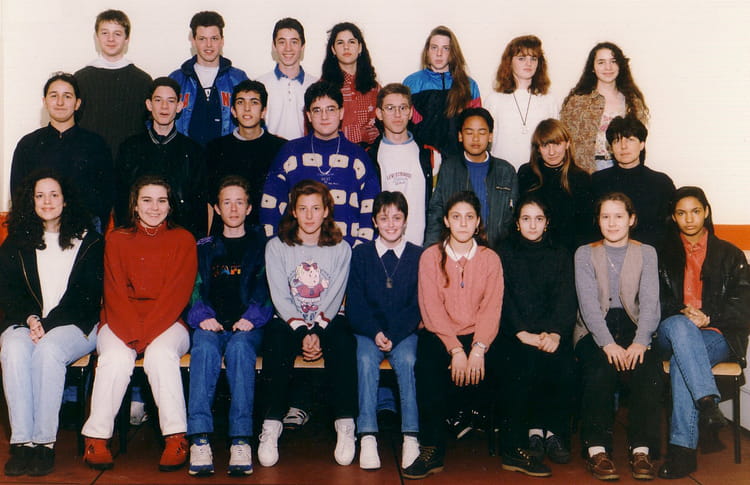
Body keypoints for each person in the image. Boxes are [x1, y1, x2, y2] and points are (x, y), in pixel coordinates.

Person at [82, 175, 197, 472]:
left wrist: (145, 336)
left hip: (169, 320)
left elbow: (177, 295)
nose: (154, 207)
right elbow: (114, 293)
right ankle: (96, 438)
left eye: (161, 200)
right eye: (147, 200)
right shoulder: (117, 239)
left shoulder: (183, 239)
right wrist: (133, 333)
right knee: (115, 357)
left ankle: (176, 438)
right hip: (120, 318)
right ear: (134, 204)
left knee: (161, 355)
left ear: (170, 206)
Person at [0, 171, 103, 477]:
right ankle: (22, 443)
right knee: (13, 348)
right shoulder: (17, 242)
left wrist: (47, 323)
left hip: (76, 325)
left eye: (54, 194)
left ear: (66, 199)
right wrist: (31, 319)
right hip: (29, 322)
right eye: (40, 195)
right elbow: (9, 291)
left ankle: (44, 444)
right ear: (30, 202)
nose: (47, 201)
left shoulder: (89, 240)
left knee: (48, 351)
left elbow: (86, 297)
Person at [404, 191, 502, 480]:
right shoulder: (430, 257)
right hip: (440, 333)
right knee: (427, 365)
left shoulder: (490, 259)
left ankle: (512, 447)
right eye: (456, 217)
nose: (463, 223)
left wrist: (478, 348)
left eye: (469, 217)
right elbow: (431, 309)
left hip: (479, 335)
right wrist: (455, 350)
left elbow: (491, 308)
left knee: (510, 361)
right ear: (446, 220)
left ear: (478, 222)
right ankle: (432, 449)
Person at [258, 180, 356, 468]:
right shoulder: (276, 246)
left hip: (329, 319)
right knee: (275, 341)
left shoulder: (341, 248)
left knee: (344, 342)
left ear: (326, 211)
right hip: (289, 321)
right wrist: (302, 331)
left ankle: (346, 424)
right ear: (294, 211)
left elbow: (336, 294)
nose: (310, 215)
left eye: (316, 208)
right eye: (303, 209)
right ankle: (271, 425)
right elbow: (279, 295)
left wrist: (318, 331)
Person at [655, 187, 750, 479]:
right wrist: (682, 311)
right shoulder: (661, 254)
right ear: (674, 217)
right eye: (681, 213)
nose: (689, 219)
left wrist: (709, 316)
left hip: (716, 334)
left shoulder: (730, 254)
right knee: (681, 328)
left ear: (706, 212)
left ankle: (683, 452)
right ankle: (707, 401)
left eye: (695, 211)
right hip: (672, 329)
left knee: (684, 361)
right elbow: (653, 301)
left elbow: (743, 306)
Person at [186, 176, 273, 477]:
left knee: (239, 350)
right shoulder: (204, 247)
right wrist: (201, 315)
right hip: (210, 324)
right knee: (203, 349)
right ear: (217, 209)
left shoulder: (262, 246)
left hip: (247, 326)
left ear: (249, 208)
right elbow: (193, 286)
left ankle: (240, 439)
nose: (233, 209)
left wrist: (252, 318)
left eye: (239, 202)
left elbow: (266, 287)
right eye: (226, 202)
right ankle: (199, 438)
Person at [574, 192, 663, 481]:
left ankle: (641, 450)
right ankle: (597, 450)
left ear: (631, 219)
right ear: (598, 221)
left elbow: (650, 303)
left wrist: (641, 341)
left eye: (619, 216)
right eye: (605, 216)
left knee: (647, 369)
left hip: (634, 325)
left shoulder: (647, 252)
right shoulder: (584, 253)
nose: (612, 223)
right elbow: (588, 307)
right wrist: (608, 344)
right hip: (594, 327)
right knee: (599, 369)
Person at [496, 196, 577, 478]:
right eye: (526, 219)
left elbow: (567, 298)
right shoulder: (504, 251)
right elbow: (502, 297)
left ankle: (554, 433)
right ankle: (532, 432)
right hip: (515, 332)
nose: (533, 225)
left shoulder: (560, 253)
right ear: (517, 223)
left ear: (547, 222)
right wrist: (521, 333)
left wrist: (555, 333)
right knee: (525, 363)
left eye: (539, 219)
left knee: (562, 365)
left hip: (552, 332)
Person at [347, 191, 422, 471]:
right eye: (384, 218)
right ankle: (367, 435)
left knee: (408, 361)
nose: (391, 224)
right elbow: (355, 304)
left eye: (397, 218)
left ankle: (411, 436)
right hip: (370, 332)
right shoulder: (361, 254)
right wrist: (376, 331)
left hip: (403, 332)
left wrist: (395, 334)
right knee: (366, 360)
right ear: (374, 221)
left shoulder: (418, 255)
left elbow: (418, 305)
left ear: (405, 221)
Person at [260, 81, 380, 246]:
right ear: (308, 116)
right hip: (296, 253)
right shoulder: (290, 153)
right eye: (317, 110)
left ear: (341, 112)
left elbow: (371, 209)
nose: (324, 117)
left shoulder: (358, 157)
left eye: (330, 109)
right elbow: (270, 205)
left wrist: (359, 252)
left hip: (347, 254)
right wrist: (277, 248)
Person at [11, 72, 113, 232]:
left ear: (77, 103)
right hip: (38, 230)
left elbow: (106, 194)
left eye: (67, 96)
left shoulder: (96, 144)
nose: (60, 102)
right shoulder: (28, 144)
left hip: (84, 230)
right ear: (45, 102)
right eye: (54, 96)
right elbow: (19, 195)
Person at [115, 77, 208, 239]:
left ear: (179, 106)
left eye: (171, 101)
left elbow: (199, 207)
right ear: (149, 105)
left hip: (179, 237)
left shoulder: (193, 151)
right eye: (158, 100)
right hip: (137, 236)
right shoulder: (130, 147)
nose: (164, 107)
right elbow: (121, 200)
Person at [425, 107, 517, 251]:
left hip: (498, 251)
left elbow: (513, 219)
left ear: (490, 136)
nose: (475, 138)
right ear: (460, 136)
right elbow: (436, 212)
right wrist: (431, 251)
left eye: (482, 132)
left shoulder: (506, 170)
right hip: (456, 251)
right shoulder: (449, 168)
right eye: (469, 132)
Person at [367, 83, 441, 245]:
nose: (397, 114)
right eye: (390, 108)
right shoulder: (369, 157)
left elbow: (437, 207)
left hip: (421, 248)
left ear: (411, 112)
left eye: (403, 108)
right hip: (382, 249)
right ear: (379, 113)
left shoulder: (430, 155)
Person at [205, 80, 286, 227]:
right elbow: (210, 202)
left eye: (254, 102)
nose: (247, 108)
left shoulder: (281, 148)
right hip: (226, 232)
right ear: (233, 111)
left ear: (264, 111)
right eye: (241, 102)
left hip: (268, 230)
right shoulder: (215, 149)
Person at [75, 9, 152, 159]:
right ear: (96, 37)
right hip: (90, 160)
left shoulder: (143, 80)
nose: (111, 39)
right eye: (105, 33)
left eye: (117, 34)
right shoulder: (80, 79)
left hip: (131, 161)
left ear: (127, 39)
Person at [561, 42, 649, 173]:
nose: (608, 67)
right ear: (592, 67)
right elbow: (564, 141)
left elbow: (639, 141)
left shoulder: (633, 102)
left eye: (613, 61)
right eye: (601, 62)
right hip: (587, 171)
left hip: (623, 169)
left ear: (620, 65)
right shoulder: (577, 102)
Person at [592, 115, 675, 248]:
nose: (623, 146)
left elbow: (668, 229)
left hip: (650, 252)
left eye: (630, 140)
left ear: (642, 144)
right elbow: (589, 227)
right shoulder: (597, 181)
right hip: (606, 253)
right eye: (617, 141)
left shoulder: (661, 183)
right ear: (611, 147)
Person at [170, 11, 249, 146]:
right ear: (193, 41)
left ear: (222, 41)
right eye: (202, 39)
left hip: (227, 155)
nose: (209, 45)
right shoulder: (177, 79)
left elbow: (253, 122)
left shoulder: (238, 79)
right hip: (186, 156)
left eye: (214, 38)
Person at [517, 119, 595, 253]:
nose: (551, 152)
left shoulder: (580, 178)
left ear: (567, 144)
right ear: (538, 149)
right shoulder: (527, 173)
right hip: (532, 250)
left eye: (557, 144)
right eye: (545, 146)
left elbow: (585, 227)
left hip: (568, 251)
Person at [403, 26, 481, 156]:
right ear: (427, 51)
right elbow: (406, 124)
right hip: (422, 156)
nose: (439, 53)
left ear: (453, 52)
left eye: (446, 48)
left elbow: (475, 125)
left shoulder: (468, 85)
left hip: (458, 158)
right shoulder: (412, 83)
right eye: (434, 47)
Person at [485, 35, 558, 170]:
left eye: (533, 58)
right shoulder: (494, 99)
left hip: (538, 173)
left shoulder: (548, 99)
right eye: (521, 58)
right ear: (509, 62)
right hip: (502, 173)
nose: (529, 63)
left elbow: (554, 140)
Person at [257, 18, 318, 140]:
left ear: (302, 46)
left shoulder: (316, 85)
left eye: (294, 42)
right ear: (274, 46)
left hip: (306, 152)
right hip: (270, 151)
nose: (288, 48)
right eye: (282, 42)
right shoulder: (259, 85)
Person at [321, 22, 380, 146]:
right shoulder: (323, 88)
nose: (346, 47)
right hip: (334, 152)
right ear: (333, 49)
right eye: (340, 43)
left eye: (351, 42)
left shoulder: (374, 88)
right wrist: (359, 134)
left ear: (360, 48)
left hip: (369, 153)